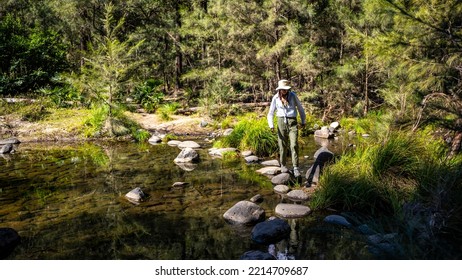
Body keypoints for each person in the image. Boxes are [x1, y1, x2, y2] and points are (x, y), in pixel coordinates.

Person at [267, 79, 306, 177]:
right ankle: (283, 165)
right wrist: (271, 125)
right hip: (281, 122)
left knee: (294, 144)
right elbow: (270, 113)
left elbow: (300, 109)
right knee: (282, 145)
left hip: (292, 121)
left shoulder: (293, 96)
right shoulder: (275, 98)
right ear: (279, 89)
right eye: (283, 89)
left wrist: (303, 121)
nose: (285, 91)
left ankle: (295, 167)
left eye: (286, 89)